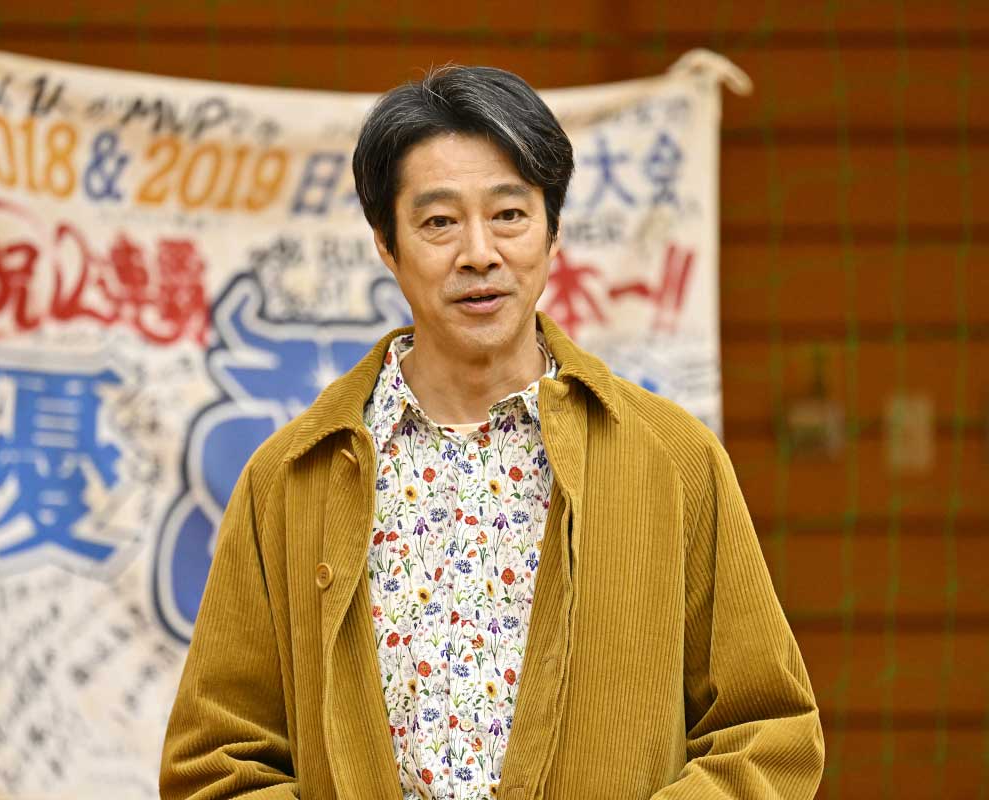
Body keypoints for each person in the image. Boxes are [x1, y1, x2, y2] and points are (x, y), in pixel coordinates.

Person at [160, 65, 824, 800]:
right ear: (387, 245)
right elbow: (218, 761)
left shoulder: (672, 458)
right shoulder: (291, 477)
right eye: (439, 222)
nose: (479, 252)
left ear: (552, 232)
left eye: (509, 214)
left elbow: (767, 732)